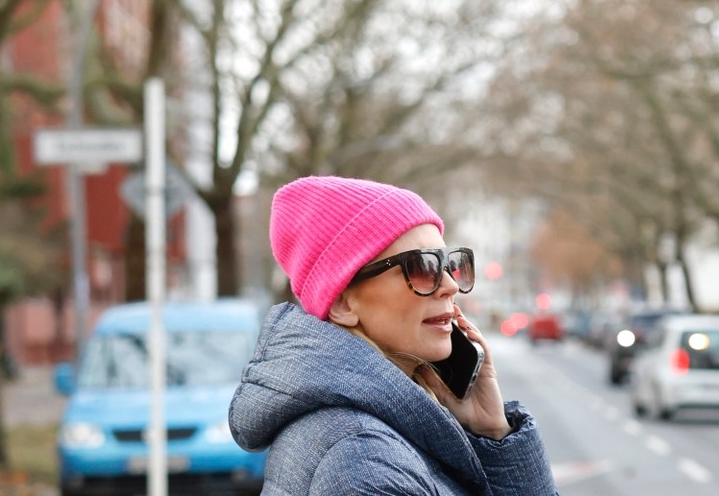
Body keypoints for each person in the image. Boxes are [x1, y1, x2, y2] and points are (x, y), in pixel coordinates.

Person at [228, 175, 559, 495]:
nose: (450, 285)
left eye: (449, 264)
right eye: (421, 267)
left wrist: (493, 432)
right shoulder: (364, 463)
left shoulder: (372, 436)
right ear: (343, 302)